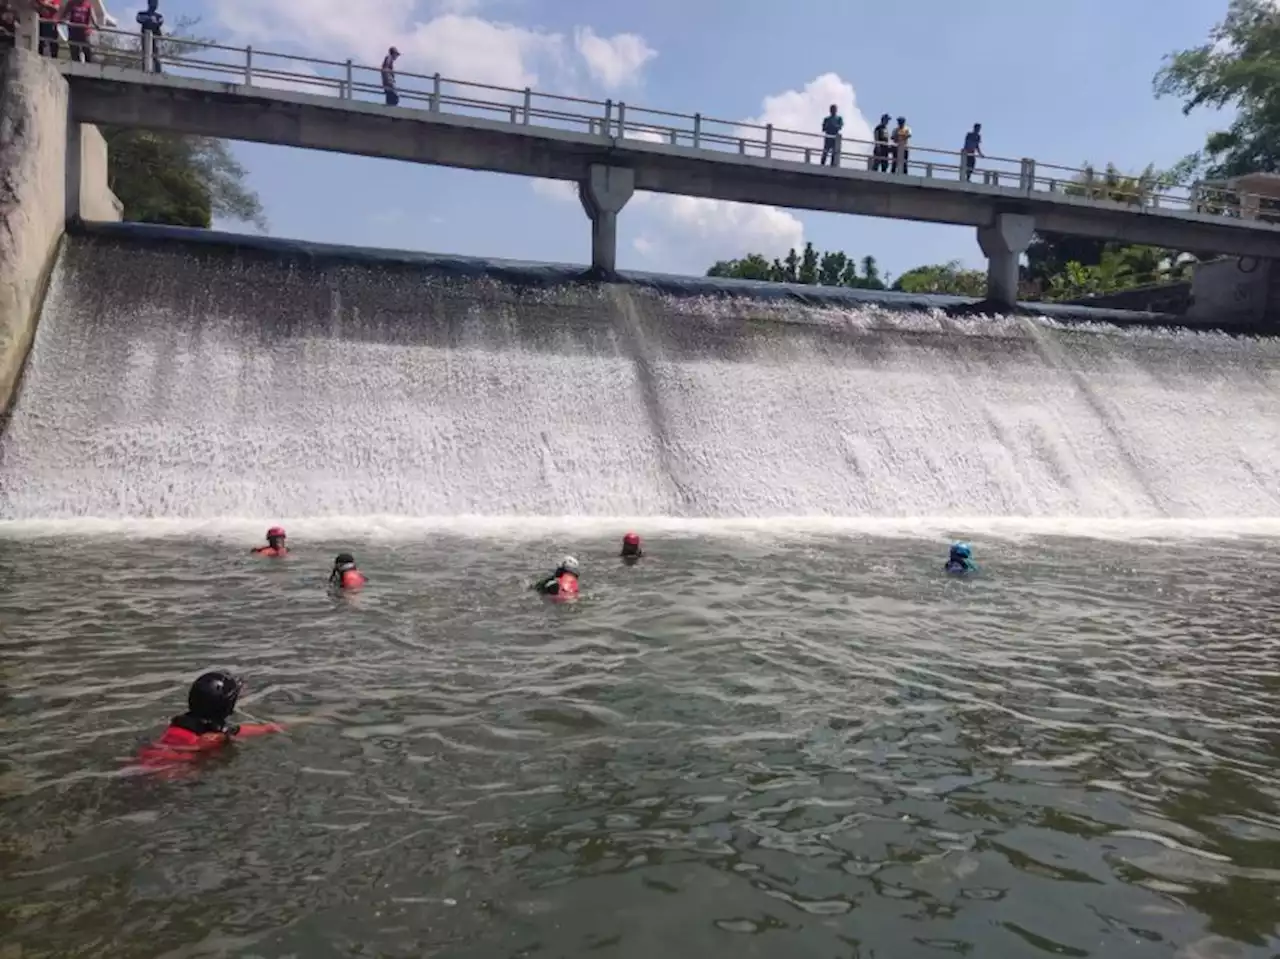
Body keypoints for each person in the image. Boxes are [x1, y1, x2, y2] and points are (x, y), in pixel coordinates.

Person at [136, 671, 282, 767]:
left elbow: (251, 730)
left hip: (144, 762)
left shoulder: (178, 725)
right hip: (167, 775)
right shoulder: (214, 737)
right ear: (227, 707)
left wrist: (270, 728)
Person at [136, 0, 163, 72]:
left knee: (156, 55)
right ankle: (145, 70)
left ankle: (158, 72)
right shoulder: (142, 13)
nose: (155, 5)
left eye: (156, 3)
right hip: (146, 38)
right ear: (149, 3)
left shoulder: (159, 16)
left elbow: (160, 22)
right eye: (154, 2)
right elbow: (139, 19)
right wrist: (150, 19)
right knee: (145, 54)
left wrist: (151, 21)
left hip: (156, 38)